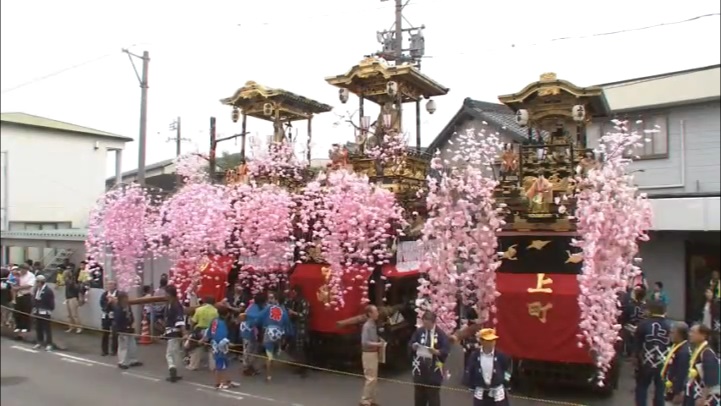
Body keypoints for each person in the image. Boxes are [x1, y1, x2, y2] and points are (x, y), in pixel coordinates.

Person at [633, 300, 671, 406]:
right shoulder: (669, 326)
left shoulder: (643, 324)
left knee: (642, 386)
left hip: (645, 361)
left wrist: (635, 358)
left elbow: (637, 344)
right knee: (660, 388)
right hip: (662, 361)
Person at [410, 311, 451, 406]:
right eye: (424, 323)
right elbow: (411, 343)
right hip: (420, 370)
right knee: (419, 399)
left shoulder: (440, 334)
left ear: (433, 322)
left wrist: (437, 352)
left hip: (434, 369)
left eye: (428, 324)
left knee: (433, 399)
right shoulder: (419, 332)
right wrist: (413, 346)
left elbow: (446, 349)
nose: (426, 326)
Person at [462, 328, 512, 406]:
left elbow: (508, 368)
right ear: (482, 341)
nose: (492, 343)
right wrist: (471, 385)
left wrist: (505, 381)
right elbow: (470, 370)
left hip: (497, 393)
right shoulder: (475, 356)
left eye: (493, 340)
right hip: (481, 392)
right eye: (488, 341)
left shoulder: (501, 356)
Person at [684, 324, 720, 406]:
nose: (690, 334)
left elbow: (711, 378)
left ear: (703, 335)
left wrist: (703, 398)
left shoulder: (707, 353)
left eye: (693, 332)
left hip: (701, 397)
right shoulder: (698, 350)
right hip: (693, 393)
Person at [259, 292, 291, 382]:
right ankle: (277, 351)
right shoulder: (283, 310)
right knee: (274, 348)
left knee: (268, 354)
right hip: (278, 332)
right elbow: (286, 322)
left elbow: (261, 316)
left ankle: (269, 376)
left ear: (276, 300)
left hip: (269, 331)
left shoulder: (269, 308)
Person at [204, 303, 236, 389]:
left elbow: (209, 333)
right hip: (220, 346)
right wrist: (229, 343)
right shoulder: (222, 324)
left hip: (215, 344)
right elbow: (222, 336)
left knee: (225, 363)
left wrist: (204, 339)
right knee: (220, 365)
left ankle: (227, 380)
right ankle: (218, 383)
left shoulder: (214, 320)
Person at [660, 321, 690, 405]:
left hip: (675, 390)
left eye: (673, 332)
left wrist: (678, 392)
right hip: (669, 386)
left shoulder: (683, 352)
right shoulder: (676, 346)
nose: (670, 335)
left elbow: (682, 373)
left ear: (680, 335)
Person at [360, 304, 383, 406]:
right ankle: (365, 399)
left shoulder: (373, 324)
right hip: (368, 353)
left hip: (373, 352)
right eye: (375, 312)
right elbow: (365, 342)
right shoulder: (367, 326)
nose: (377, 313)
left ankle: (371, 398)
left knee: (374, 377)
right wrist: (378, 344)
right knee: (370, 377)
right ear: (370, 314)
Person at [188, 296, 218, 371]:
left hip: (199, 329)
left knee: (197, 348)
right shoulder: (216, 311)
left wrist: (191, 331)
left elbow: (193, 321)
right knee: (211, 349)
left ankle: (194, 365)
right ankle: (213, 366)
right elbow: (216, 323)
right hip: (211, 330)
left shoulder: (199, 309)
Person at [163, 284, 186, 383]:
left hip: (174, 331)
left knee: (169, 354)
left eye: (166, 294)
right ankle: (175, 371)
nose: (165, 296)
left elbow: (180, 320)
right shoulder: (170, 303)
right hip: (170, 331)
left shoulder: (176, 304)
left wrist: (184, 332)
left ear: (170, 294)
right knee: (175, 352)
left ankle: (172, 369)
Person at [113, 292, 142, 369]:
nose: (127, 299)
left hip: (129, 328)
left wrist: (132, 322)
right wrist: (120, 330)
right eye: (125, 298)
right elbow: (118, 320)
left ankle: (133, 360)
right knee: (123, 346)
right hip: (122, 329)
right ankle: (122, 362)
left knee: (132, 345)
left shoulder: (128, 306)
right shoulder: (118, 307)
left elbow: (131, 315)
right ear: (121, 299)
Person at [240, 292, 267, 376]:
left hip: (251, 331)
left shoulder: (253, 306)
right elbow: (257, 321)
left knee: (253, 350)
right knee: (248, 350)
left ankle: (250, 366)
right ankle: (246, 368)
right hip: (249, 331)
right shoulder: (255, 311)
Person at [287, 285, 311, 377]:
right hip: (294, 326)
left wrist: (294, 313)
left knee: (300, 348)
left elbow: (304, 315)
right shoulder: (293, 302)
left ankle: (303, 367)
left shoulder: (304, 302)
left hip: (301, 327)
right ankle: (298, 363)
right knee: (295, 347)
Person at [622, 285, 647, 357]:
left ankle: (627, 354)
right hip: (641, 327)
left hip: (629, 326)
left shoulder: (630, 305)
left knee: (628, 342)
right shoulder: (646, 306)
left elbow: (625, 316)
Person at [32, 274, 55, 351]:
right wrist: (34, 307)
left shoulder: (48, 291)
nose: (36, 283)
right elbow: (34, 300)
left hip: (45, 312)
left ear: (41, 282)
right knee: (38, 327)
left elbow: (51, 303)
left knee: (47, 328)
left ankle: (49, 343)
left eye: (37, 282)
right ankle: (39, 342)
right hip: (37, 311)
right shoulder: (36, 290)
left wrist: (49, 310)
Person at [12, 264, 36, 336]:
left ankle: (26, 327)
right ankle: (18, 326)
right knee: (17, 312)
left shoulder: (31, 276)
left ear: (26, 270)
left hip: (27, 295)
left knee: (25, 312)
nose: (21, 271)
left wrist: (18, 288)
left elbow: (29, 285)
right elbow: (13, 283)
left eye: (23, 269)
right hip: (18, 295)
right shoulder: (18, 275)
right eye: (21, 269)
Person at [100, 280, 119, 356]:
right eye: (108, 284)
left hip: (115, 315)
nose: (110, 286)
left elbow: (121, 305)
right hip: (106, 315)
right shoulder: (104, 295)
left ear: (115, 286)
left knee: (115, 333)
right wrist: (108, 302)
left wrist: (114, 301)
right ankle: (104, 350)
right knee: (105, 333)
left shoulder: (119, 294)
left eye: (112, 284)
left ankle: (114, 350)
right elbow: (102, 305)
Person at [64, 269, 82, 333]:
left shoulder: (71, 282)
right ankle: (71, 326)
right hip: (68, 298)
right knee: (69, 314)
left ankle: (79, 327)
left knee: (74, 314)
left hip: (73, 298)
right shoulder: (68, 282)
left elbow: (76, 289)